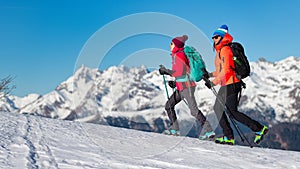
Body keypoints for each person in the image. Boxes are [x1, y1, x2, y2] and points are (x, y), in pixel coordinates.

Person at [204, 24, 268, 145]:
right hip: (227, 83)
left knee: (228, 111)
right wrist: (209, 75)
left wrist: (214, 82)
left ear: (223, 37)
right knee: (224, 110)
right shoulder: (219, 52)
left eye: (216, 37)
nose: (214, 39)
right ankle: (234, 135)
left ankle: (256, 129)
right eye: (212, 37)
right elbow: (220, 71)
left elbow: (227, 70)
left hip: (232, 83)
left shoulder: (226, 50)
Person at [159, 35, 215, 139]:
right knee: (169, 106)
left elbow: (180, 72)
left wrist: (166, 71)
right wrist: (175, 83)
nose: (170, 45)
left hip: (187, 87)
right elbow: (184, 73)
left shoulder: (179, 55)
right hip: (182, 87)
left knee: (193, 110)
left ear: (176, 45)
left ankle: (209, 131)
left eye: (171, 43)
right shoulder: (177, 55)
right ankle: (174, 129)